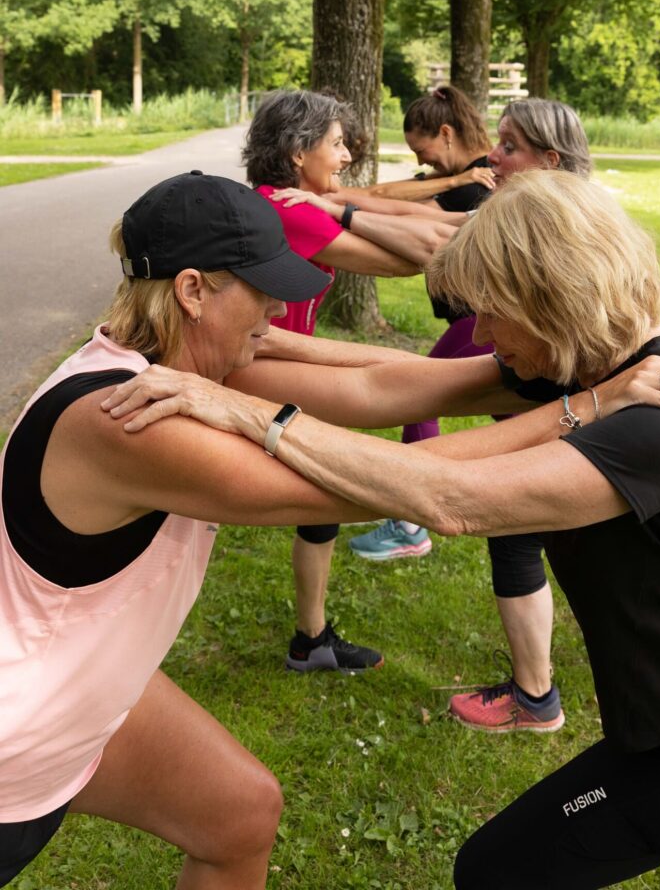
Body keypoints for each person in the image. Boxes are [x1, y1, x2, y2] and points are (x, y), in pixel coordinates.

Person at [106, 168, 660, 890]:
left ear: (554, 298)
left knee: (498, 870)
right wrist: (241, 350)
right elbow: (382, 377)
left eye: (491, 312)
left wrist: (241, 412)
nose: (477, 333)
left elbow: (449, 497)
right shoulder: (591, 368)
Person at [0, 170, 393, 888]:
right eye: (260, 287)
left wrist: (521, 378)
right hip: (15, 745)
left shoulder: (171, 366)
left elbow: (373, 384)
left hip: (77, 689)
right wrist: (580, 428)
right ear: (192, 291)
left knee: (239, 812)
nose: (276, 308)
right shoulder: (129, 418)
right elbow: (405, 488)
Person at [349, 97, 595, 736]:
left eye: (510, 147)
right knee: (537, 538)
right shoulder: (559, 217)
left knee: (521, 532)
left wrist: (331, 211)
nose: (494, 156)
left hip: (567, 408)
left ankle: (537, 697)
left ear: (551, 160)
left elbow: (432, 236)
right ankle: (538, 692)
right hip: (563, 405)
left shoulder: (545, 230)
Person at [242, 89, 456, 674]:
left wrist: (448, 206)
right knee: (392, 393)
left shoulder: (293, 200)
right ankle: (414, 515)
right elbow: (407, 259)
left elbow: (391, 205)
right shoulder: (286, 210)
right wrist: (357, 212)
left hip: (289, 360)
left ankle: (310, 640)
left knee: (323, 492)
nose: (344, 157)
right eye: (335, 145)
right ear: (295, 154)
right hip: (261, 365)